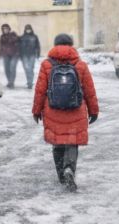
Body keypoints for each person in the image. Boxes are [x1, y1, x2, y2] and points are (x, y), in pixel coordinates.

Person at [32, 33, 99, 192]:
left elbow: (40, 90)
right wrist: (94, 111)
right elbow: (89, 90)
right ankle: (69, 168)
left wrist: (36, 111)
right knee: (71, 142)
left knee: (57, 143)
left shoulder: (47, 65)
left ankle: (61, 175)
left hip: (53, 109)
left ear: (55, 45)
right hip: (75, 109)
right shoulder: (80, 65)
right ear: (71, 45)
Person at [19, 24, 41, 89]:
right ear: (25, 30)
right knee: (26, 69)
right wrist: (20, 55)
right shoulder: (22, 37)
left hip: (32, 54)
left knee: (30, 69)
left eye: (29, 29)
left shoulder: (35, 36)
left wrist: (38, 54)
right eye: (27, 29)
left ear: (31, 29)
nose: (28, 30)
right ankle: (29, 81)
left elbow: (38, 46)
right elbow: (19, 47)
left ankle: (30, 83)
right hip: (24, 55)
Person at [0, 23, 20, 88]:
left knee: (12, 68)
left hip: (14, 54)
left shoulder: (13, 34)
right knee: (6, 69)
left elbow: (18, 42)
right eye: (4, 29)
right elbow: (1, 45)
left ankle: (11, 82)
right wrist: (0, 53)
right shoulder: (2, 36)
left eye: (6, 29)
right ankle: (9, 81)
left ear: (9, 29)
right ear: (2, 30)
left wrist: (12, 37)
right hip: (6, 54)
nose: (5, 30)